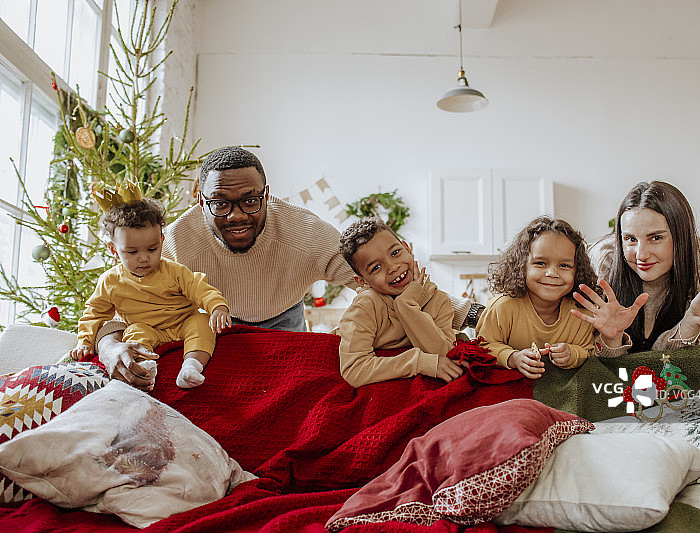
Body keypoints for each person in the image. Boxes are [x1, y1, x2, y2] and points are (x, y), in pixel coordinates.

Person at [95, 146, 482, 390]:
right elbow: (118, 297)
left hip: (284, 322)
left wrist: (475, 314)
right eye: (220, 203)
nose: (235, 216)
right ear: (200, 200)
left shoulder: (305, 232)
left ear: (267, 194)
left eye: (249, 201)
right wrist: (110, 346)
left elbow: (384, 278)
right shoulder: (175, 240)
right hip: (214, 330)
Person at [572, 180, 700, 354]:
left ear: (680, 236)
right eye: (630, 239)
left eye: (656, 238)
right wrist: (611, 338)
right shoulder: (601, 260)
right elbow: (596, 358)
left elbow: (668, 360)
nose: (641, 255)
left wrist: (691, 322)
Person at [70, 185, 231, 389]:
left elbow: (199, 288)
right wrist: (84, 341)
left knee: (201, 322)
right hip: (147, 329)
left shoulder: (173, 270)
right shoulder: (110, 281)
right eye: (132, 252)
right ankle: (144, 367)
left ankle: (191, 367)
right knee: (134, 333)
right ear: (113, 250)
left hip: (182, 322)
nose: (144, 258)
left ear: (162, 241)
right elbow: (94, 313)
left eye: (152, 249)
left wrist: (217, 307)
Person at [337, 218, 467, 387]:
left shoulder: (439, 301)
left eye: (395, 253)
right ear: (363, 281)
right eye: (376, 268)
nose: (392, 267)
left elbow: (445, 355)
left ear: (407, 248)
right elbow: (354, 369)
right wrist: (418, 362)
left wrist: (406, 305)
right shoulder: (366, 305)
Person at [476, 216, 605, 380]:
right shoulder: (503, 307)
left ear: (577, 270)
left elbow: (588, 349)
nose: (552, 273)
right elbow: (483, 346)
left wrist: (571, 354)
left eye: (564, 266)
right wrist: (513, 358)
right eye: (540, 263)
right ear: (522, 266)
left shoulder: (581, 313)